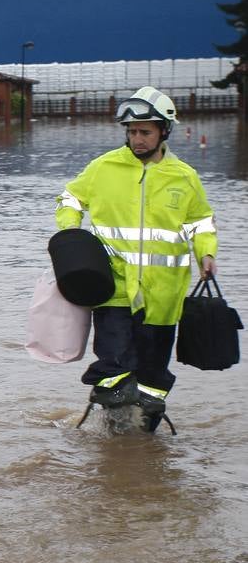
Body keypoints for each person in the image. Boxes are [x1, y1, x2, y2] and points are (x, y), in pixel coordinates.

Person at [56, 86, 218, 431]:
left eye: (145, 131)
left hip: (164, 296)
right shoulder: (103, 168)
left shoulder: (185, 177)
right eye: (132, 132)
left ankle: (145, 438)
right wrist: (71, 238)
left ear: (164, 132)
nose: (137, 138)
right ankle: (115, 437)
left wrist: (206, 253)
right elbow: (70, 199)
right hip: (114, 288)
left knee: (153, 374)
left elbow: (201, 222)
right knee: (115, 361)